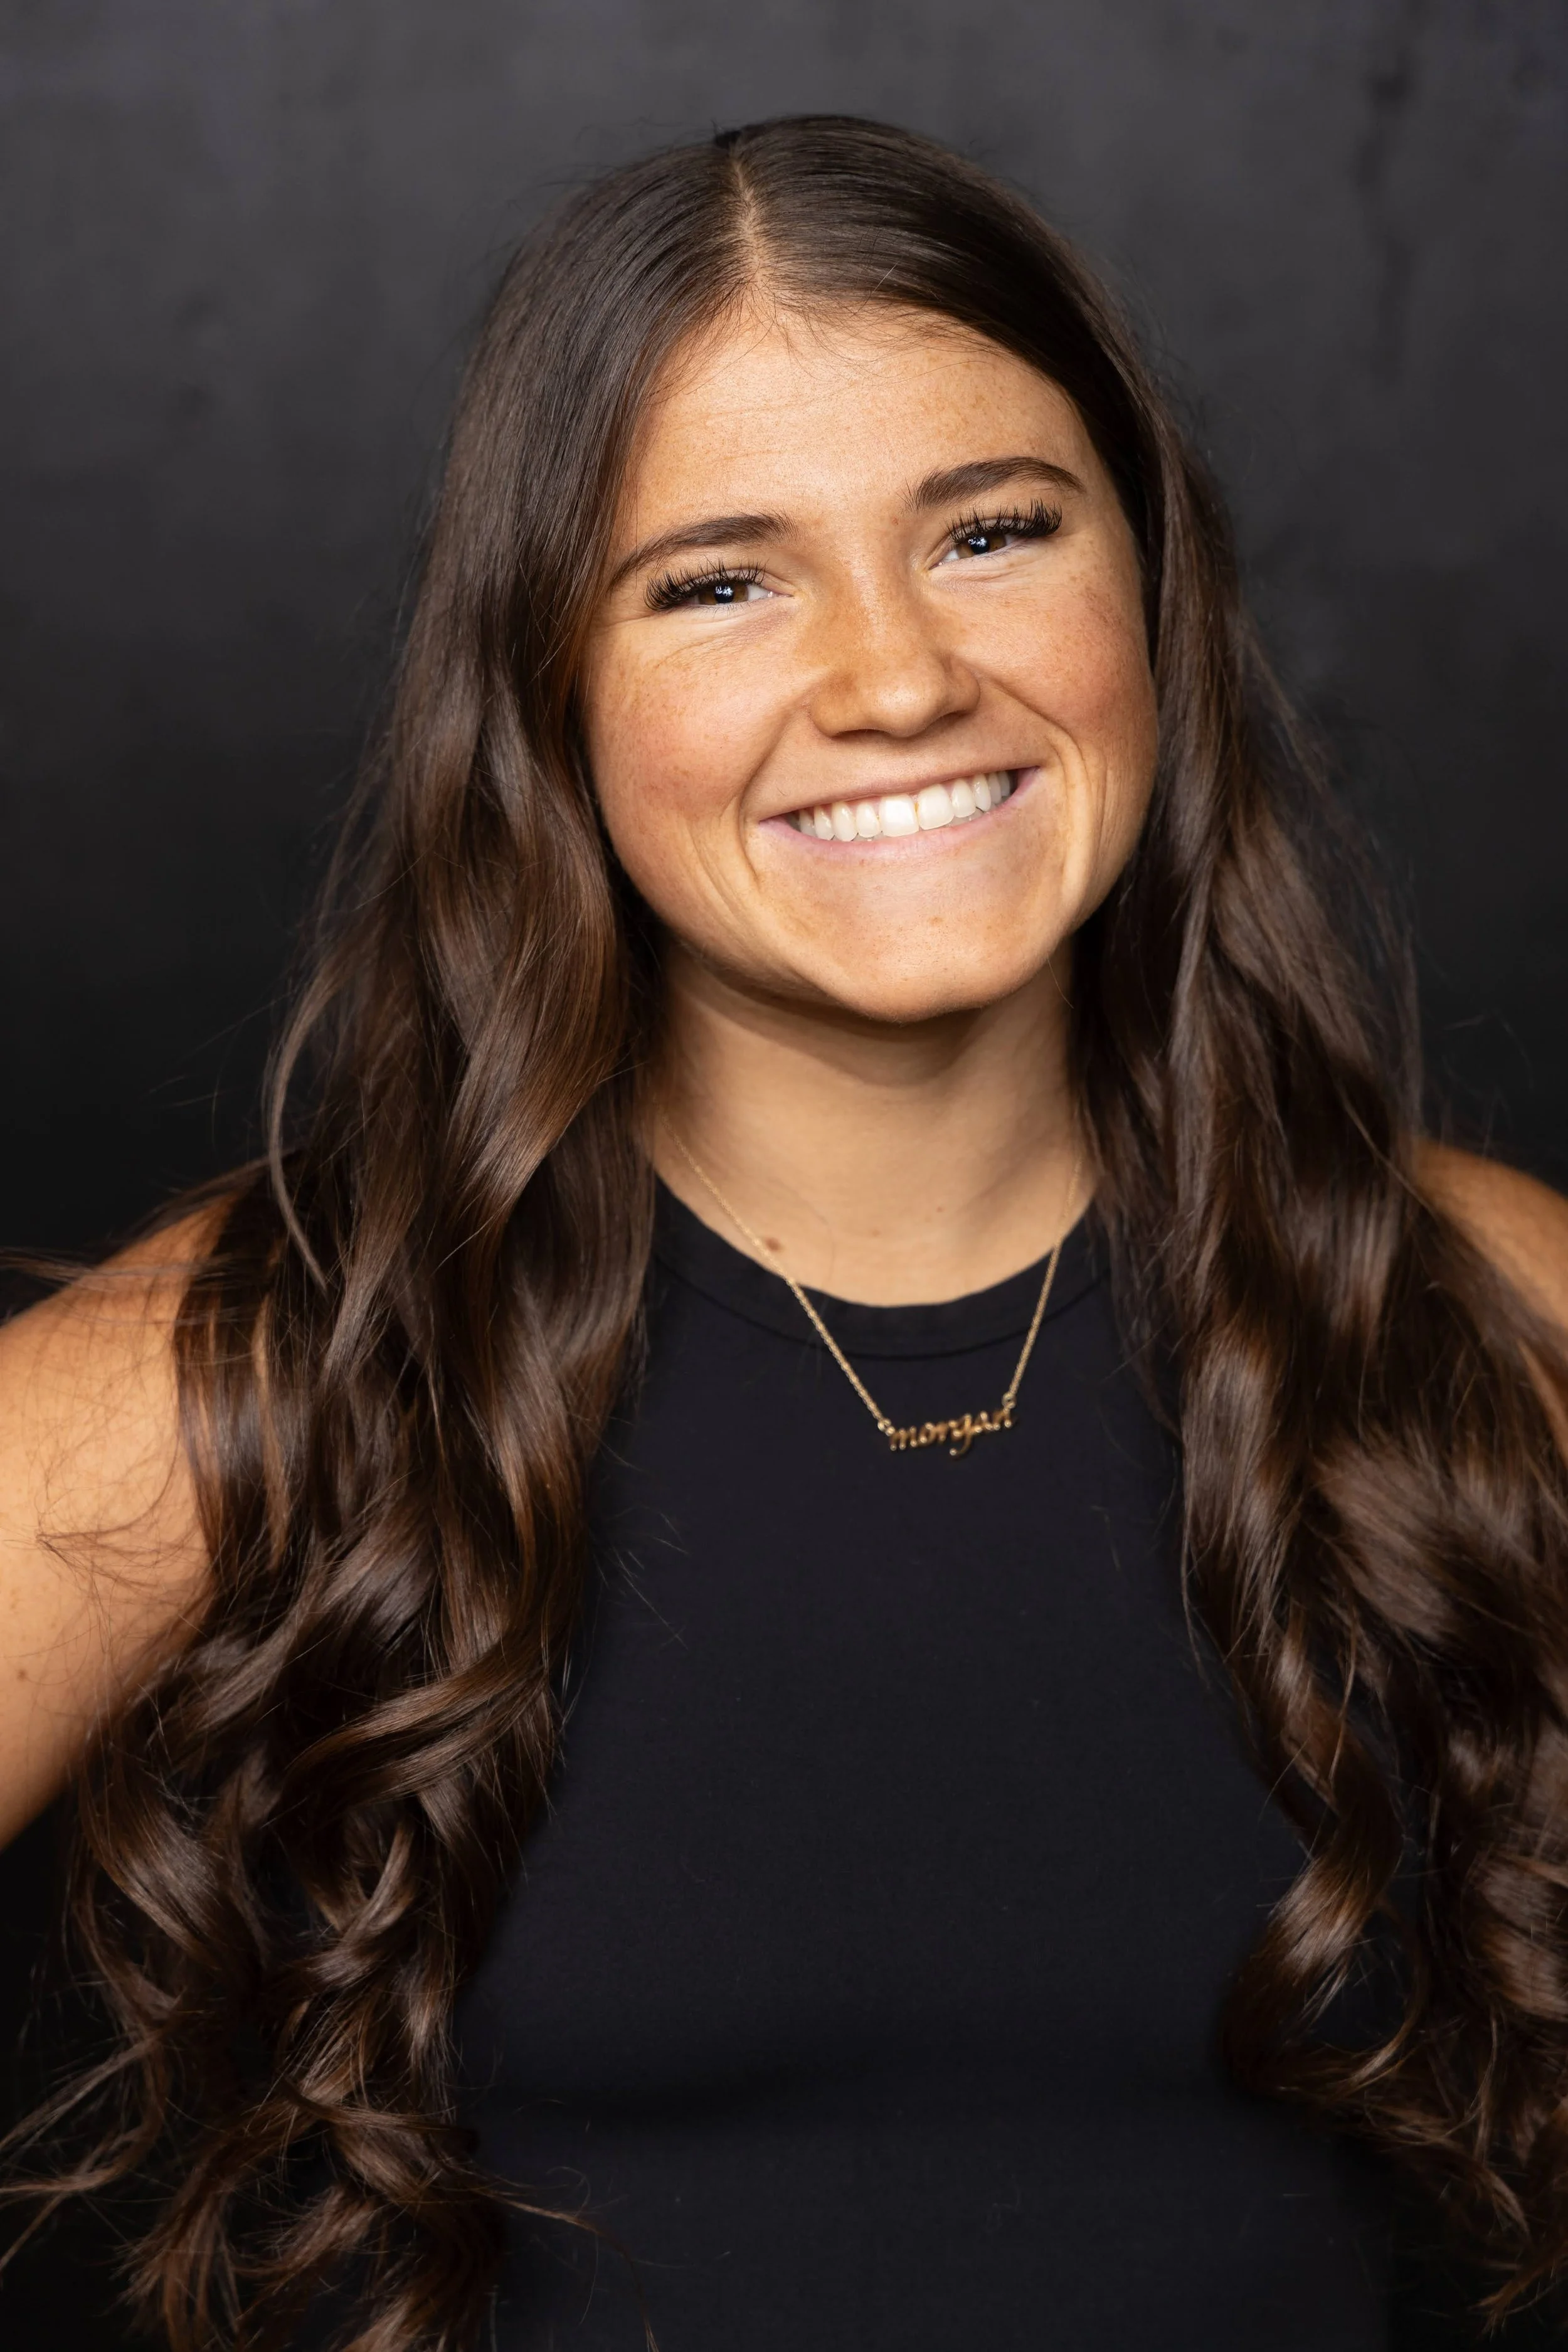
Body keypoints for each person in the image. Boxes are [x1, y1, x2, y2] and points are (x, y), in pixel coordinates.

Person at [2, 114, 1567, 2352]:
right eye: (719, 578)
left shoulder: (1487, 1310)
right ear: (550, 692)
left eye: (994, 532)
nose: (896, 676)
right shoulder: (257, 1363)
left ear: (1152, 584)